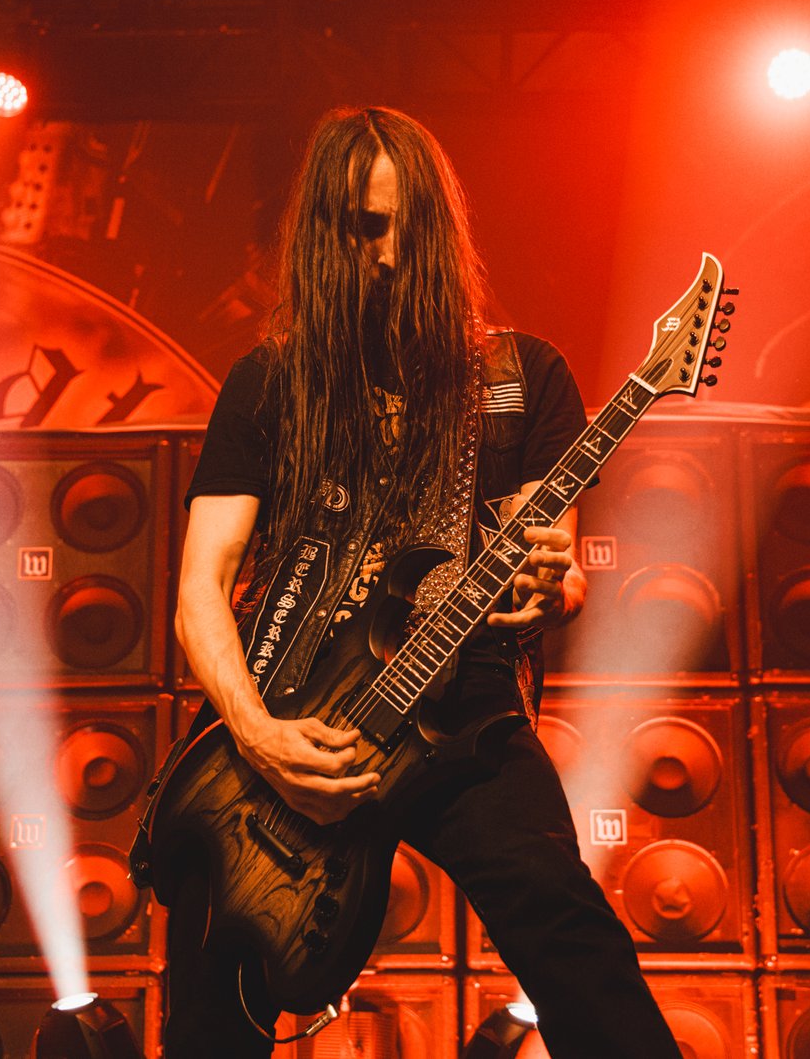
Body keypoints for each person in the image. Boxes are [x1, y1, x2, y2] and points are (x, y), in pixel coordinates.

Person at [164, 106, 683, 1058]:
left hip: (461, 710)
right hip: (287, 707)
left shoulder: (520, 377)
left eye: (412, 227)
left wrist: (550, 585)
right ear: (324, 235)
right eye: (367, 228)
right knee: (210, 1014)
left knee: (571, 937)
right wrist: (261, 736)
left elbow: (551, 569)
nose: (394, 255)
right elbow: (203, 586)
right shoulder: (270, 383)